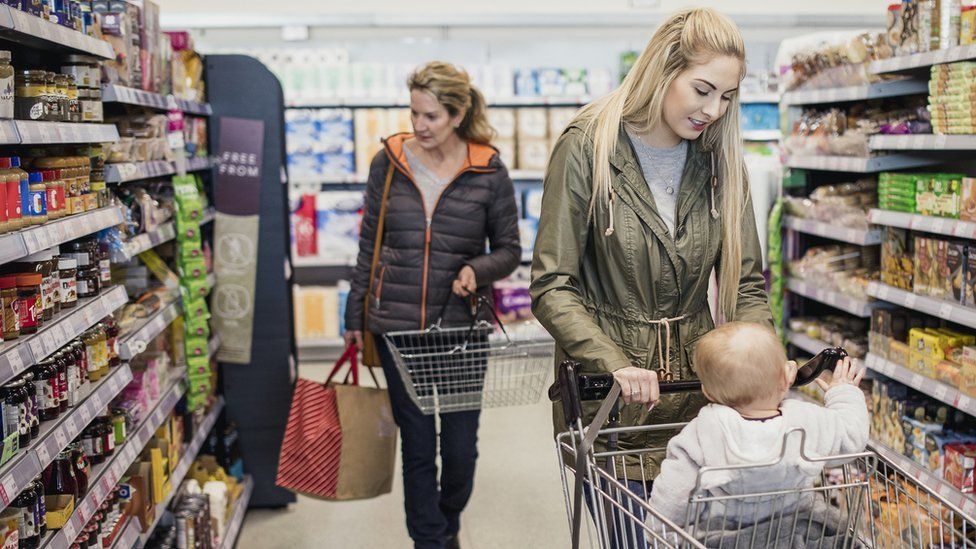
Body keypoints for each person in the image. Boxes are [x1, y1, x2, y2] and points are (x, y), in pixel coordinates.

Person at [531, 6, 772, 496]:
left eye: (727, 96)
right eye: (702, 90)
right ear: (664, 69)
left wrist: (765, 359)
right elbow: (553, 284)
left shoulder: (721, 160)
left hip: (701, 401)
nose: (713, 110)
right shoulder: (588, 146)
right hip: (614, 408)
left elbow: (745, 284)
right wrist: (613, 363)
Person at [343, 61, 520, 549]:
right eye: (415, 113)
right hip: (395, 325)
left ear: (459, 113)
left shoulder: (487, 169)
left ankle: (447, 523)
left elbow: (509, 249)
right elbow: (368, 246)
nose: (419, 126)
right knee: (418, 449)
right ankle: (431, 541)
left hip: (460, 331)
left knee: (461, 449)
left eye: (431, 116)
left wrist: (475, 271)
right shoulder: (390, 161)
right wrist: (355, 315)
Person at [648, 322, 869, 545]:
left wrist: (658, 534)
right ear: (786, 379)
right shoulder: (806, 420)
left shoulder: (701, 431)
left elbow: (674, 496)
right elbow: (851, 437)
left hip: (726, 541)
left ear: (707, 391)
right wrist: (843, 392)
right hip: (796, 535)